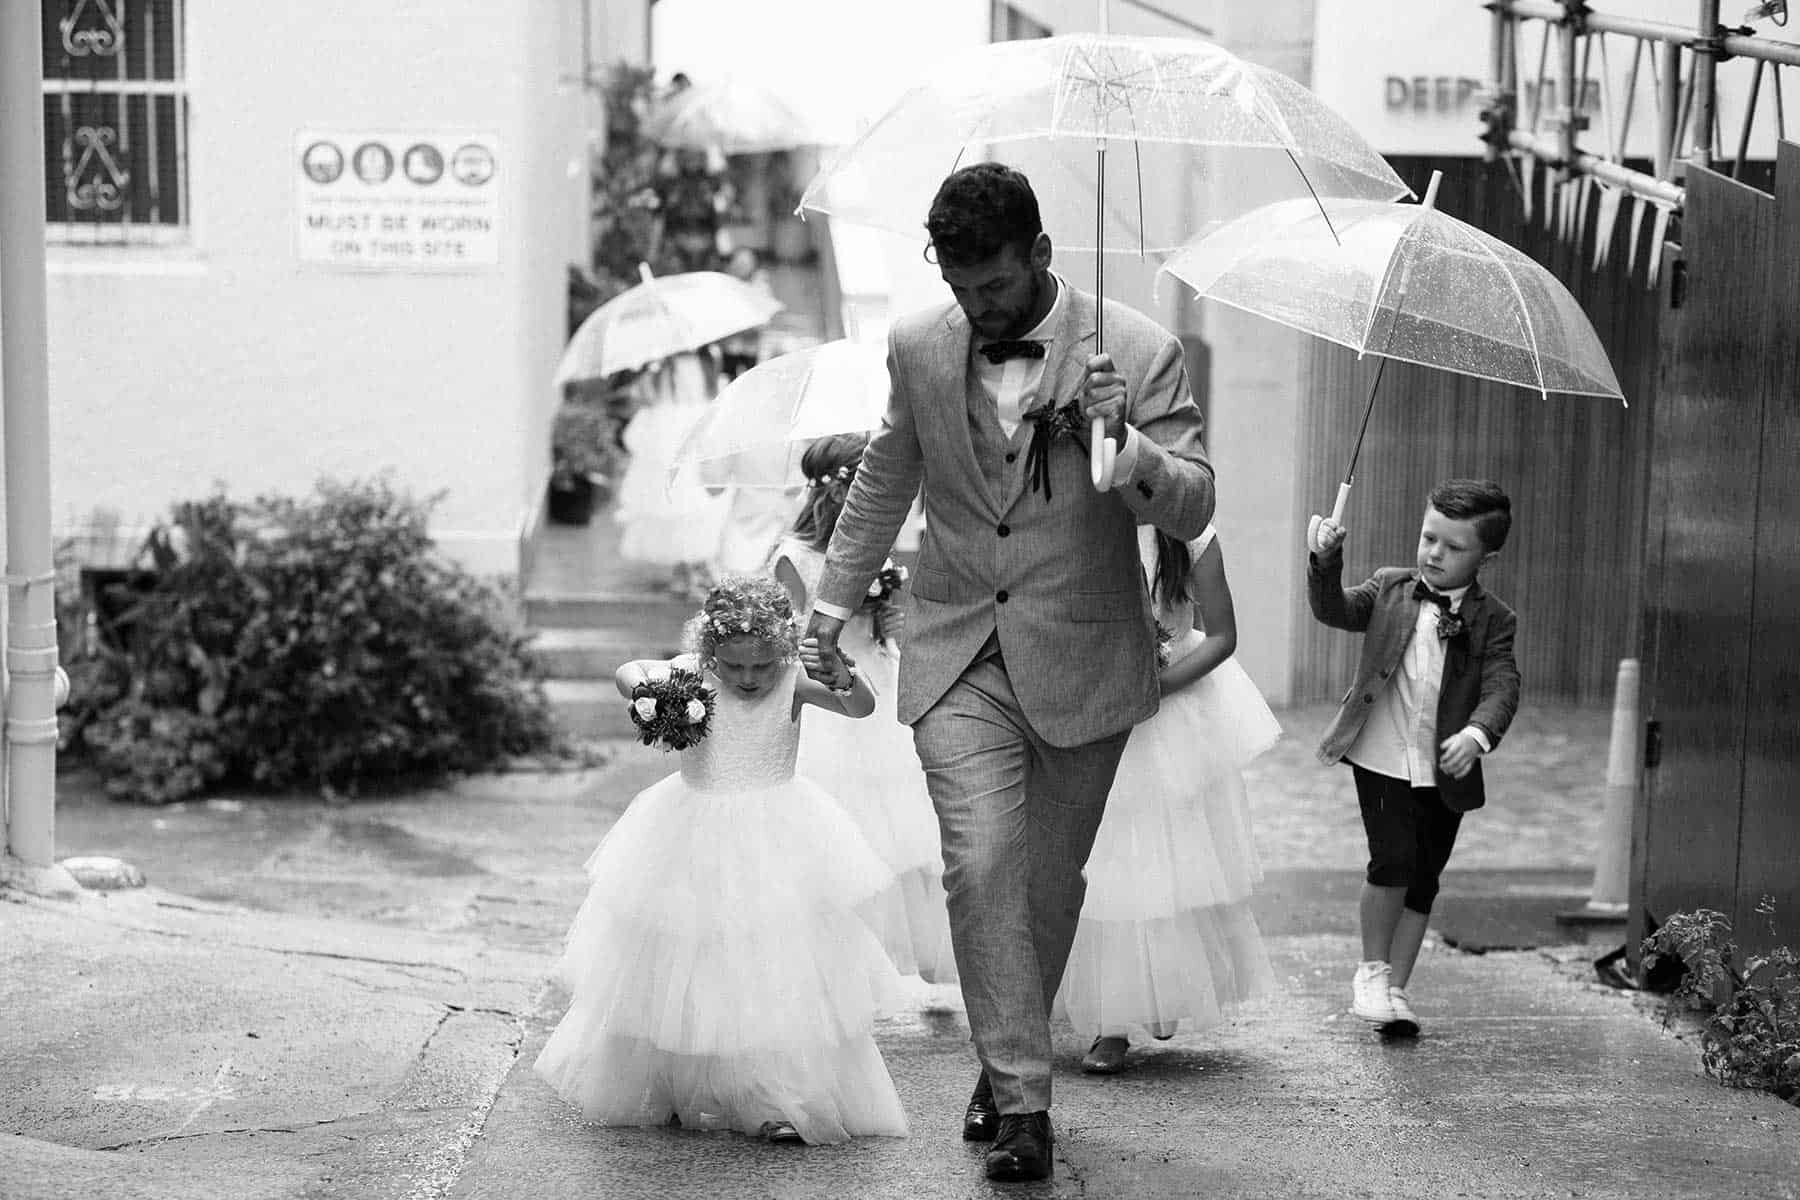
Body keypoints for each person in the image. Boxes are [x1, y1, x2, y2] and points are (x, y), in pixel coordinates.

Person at [801, 162, 1215, 1183]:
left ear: (1038, 255)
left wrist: (1127, 449)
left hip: (1085, 649)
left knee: (1043, 883)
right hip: (953, 648)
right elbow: (888, 478)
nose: (972, 306)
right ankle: (1025, 1098)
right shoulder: (918, 346)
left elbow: (1195, 506)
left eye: (988, 285)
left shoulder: (1141, 350)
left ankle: (1004, 1050)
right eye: (954, 283)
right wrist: (828, 606)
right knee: (979, 862)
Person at [534, 577, 909, 1146]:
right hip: (692, 835)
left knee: (774, 965)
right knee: (688, 964)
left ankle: (777, 1096)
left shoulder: (793, 678)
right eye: (734, 667)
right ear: (710, 652)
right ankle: (684, 1087)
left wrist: (844, 674)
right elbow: (628, 671)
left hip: (779, 837)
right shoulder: (692, 674)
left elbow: (861, 708)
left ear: (782, 650)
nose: (750, 678)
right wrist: (646, 690)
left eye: (761, 665)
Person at [1055, 524, 1280, 1074]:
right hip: (1092, 701)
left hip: (1170, 703)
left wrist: (1155, 686)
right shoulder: (1075, 521)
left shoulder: (1193, 536)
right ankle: (1111, 1022)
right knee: (1099, 854)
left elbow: (1222, 639)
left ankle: (1157, 989)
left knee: (1168, 856)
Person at [1307, 478, 1522, 1038]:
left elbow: (1503, 685)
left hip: (1443, 768)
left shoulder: (1495, 619)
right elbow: (1332, 608)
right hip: (1380, 755)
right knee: (1393, 860)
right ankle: (1371, 970)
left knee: (1424, 877)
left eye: (1453, 548)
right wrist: (1325, 560)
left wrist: (1477, 734)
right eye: (1429, 538)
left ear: (1486, 558)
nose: (1434, 554)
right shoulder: (1389, 589)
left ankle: (1395, 989)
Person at [771, 434, 959, 995]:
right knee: (840, 828)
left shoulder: (877, 548)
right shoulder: (794, 556)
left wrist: (888, 619)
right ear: (839, 488)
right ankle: (831, 968)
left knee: (906, 830)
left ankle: (913, 959)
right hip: (832, 700)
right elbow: (786, 641)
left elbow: (892, 625)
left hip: (883, 685)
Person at [613, 350, 728, 597]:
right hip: (689, 430)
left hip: (670, 434)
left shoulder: (662, 365)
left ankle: (688, 571)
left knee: (681, 503)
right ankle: (692, 569)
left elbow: (647, 397)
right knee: (692, 505)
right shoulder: (705, 359)